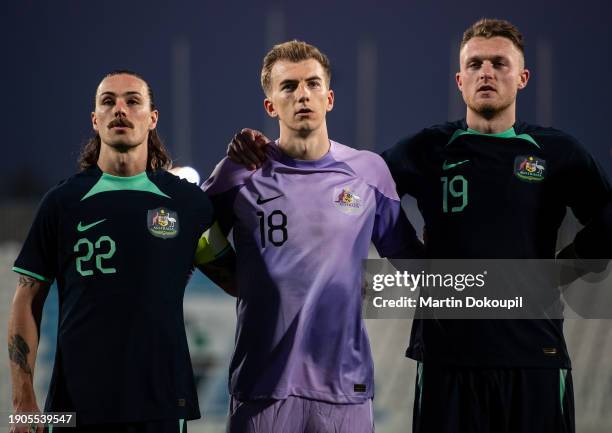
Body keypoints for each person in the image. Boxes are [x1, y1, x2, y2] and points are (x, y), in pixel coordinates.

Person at [226, 19, 612, 433]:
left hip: (536, 354)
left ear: (522, 77)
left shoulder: (557, 151)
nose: (487, 72)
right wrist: (266, 155)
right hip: (447, 358)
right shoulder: (428, 148)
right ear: (460, 79)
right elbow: (344, 186)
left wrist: (565, 267)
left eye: (499, 63)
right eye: (476, 63)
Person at [202, 40, 423, 433]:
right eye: (288, 86)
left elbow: (411, 260)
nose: (302, 94)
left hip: (345, 388)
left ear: (330, 98)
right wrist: (231, 276)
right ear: (271, 105)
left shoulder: (369, 172)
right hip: (262, 387)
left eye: (313, 84)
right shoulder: (238, 173)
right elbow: (192, 235)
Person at [8, 70, 236, 433]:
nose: (120, 109)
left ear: (152, 118)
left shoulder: (188, 204)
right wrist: (23, 404)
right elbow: (26, 300)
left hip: (162, 403)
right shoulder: (61, 203)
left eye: (132, 101)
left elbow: (238, 281)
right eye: (108, 101)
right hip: (72, 408)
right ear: (95, 120)